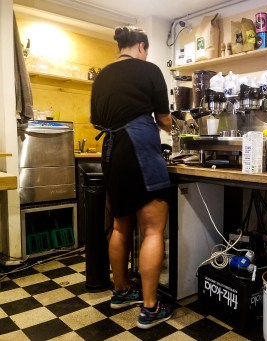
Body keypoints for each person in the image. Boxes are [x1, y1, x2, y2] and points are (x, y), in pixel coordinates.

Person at [90, 25, 173, 329]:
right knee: (152, 230)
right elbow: (163, 119)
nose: (146, 55)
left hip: (112, 152)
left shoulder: (101, 76)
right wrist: (175, 126)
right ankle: (150, 308)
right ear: (141, 47)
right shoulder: (148, 70)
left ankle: (122, 291)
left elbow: (97, 119)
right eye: (147, 50)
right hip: (139, 149)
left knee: (120, 225)